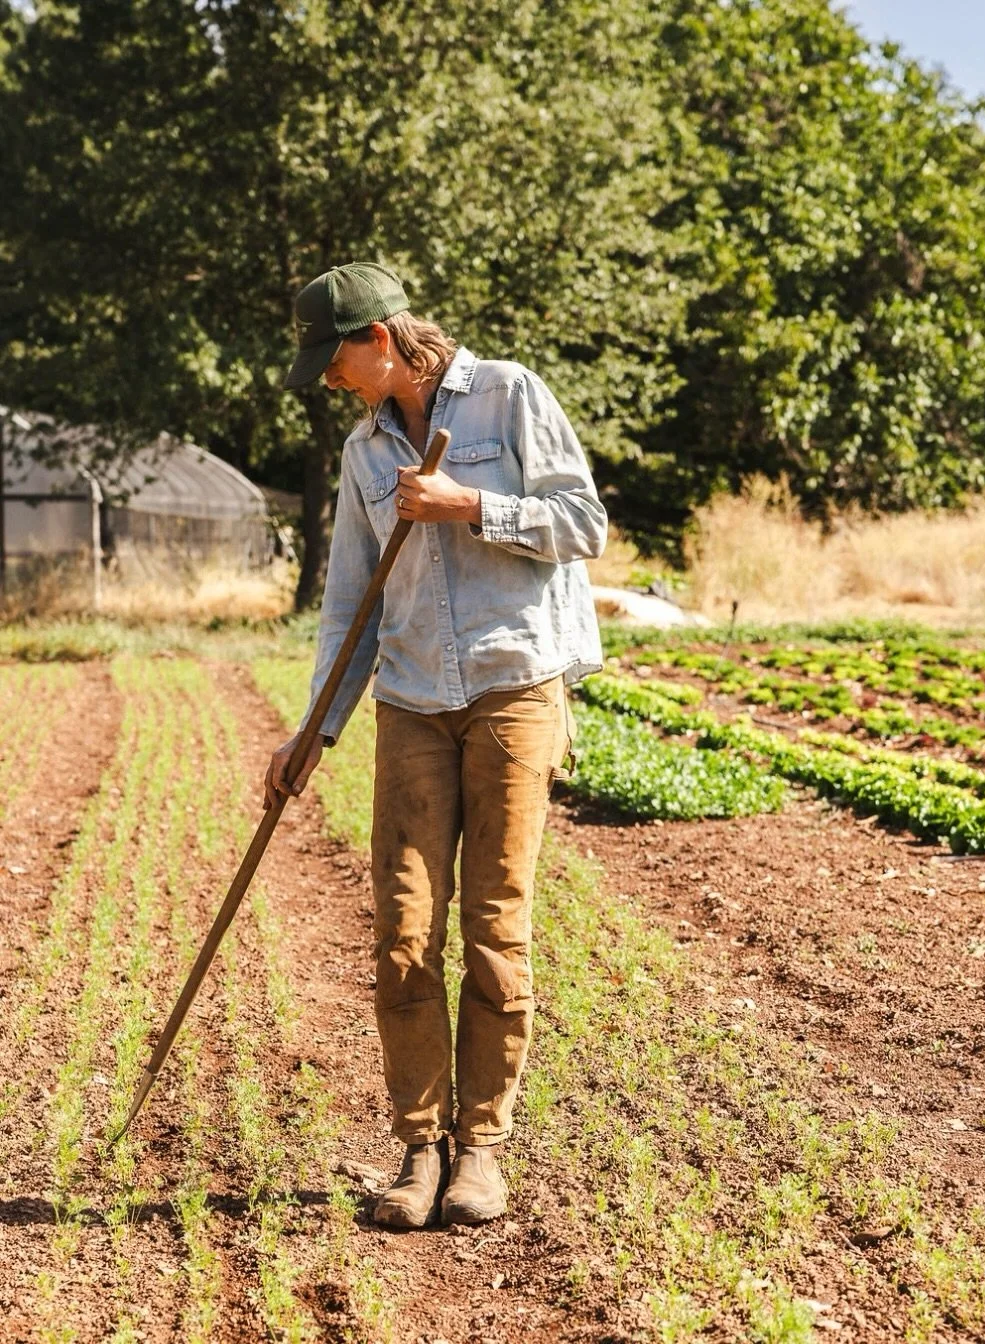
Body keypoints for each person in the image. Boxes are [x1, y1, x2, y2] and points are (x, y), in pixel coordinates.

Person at [265, 262, 606, 1229]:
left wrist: (470, 507)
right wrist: (313, 731)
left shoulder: (509, 395)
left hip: (511, 690)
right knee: (403, 930)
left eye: (331, 362)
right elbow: (348, 604)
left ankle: (483, 1151)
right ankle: (421, 1148)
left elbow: (586, 524)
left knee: (497, 925)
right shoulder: (363, 452)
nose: (326, 380)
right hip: (413, 700)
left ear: (378, 340)